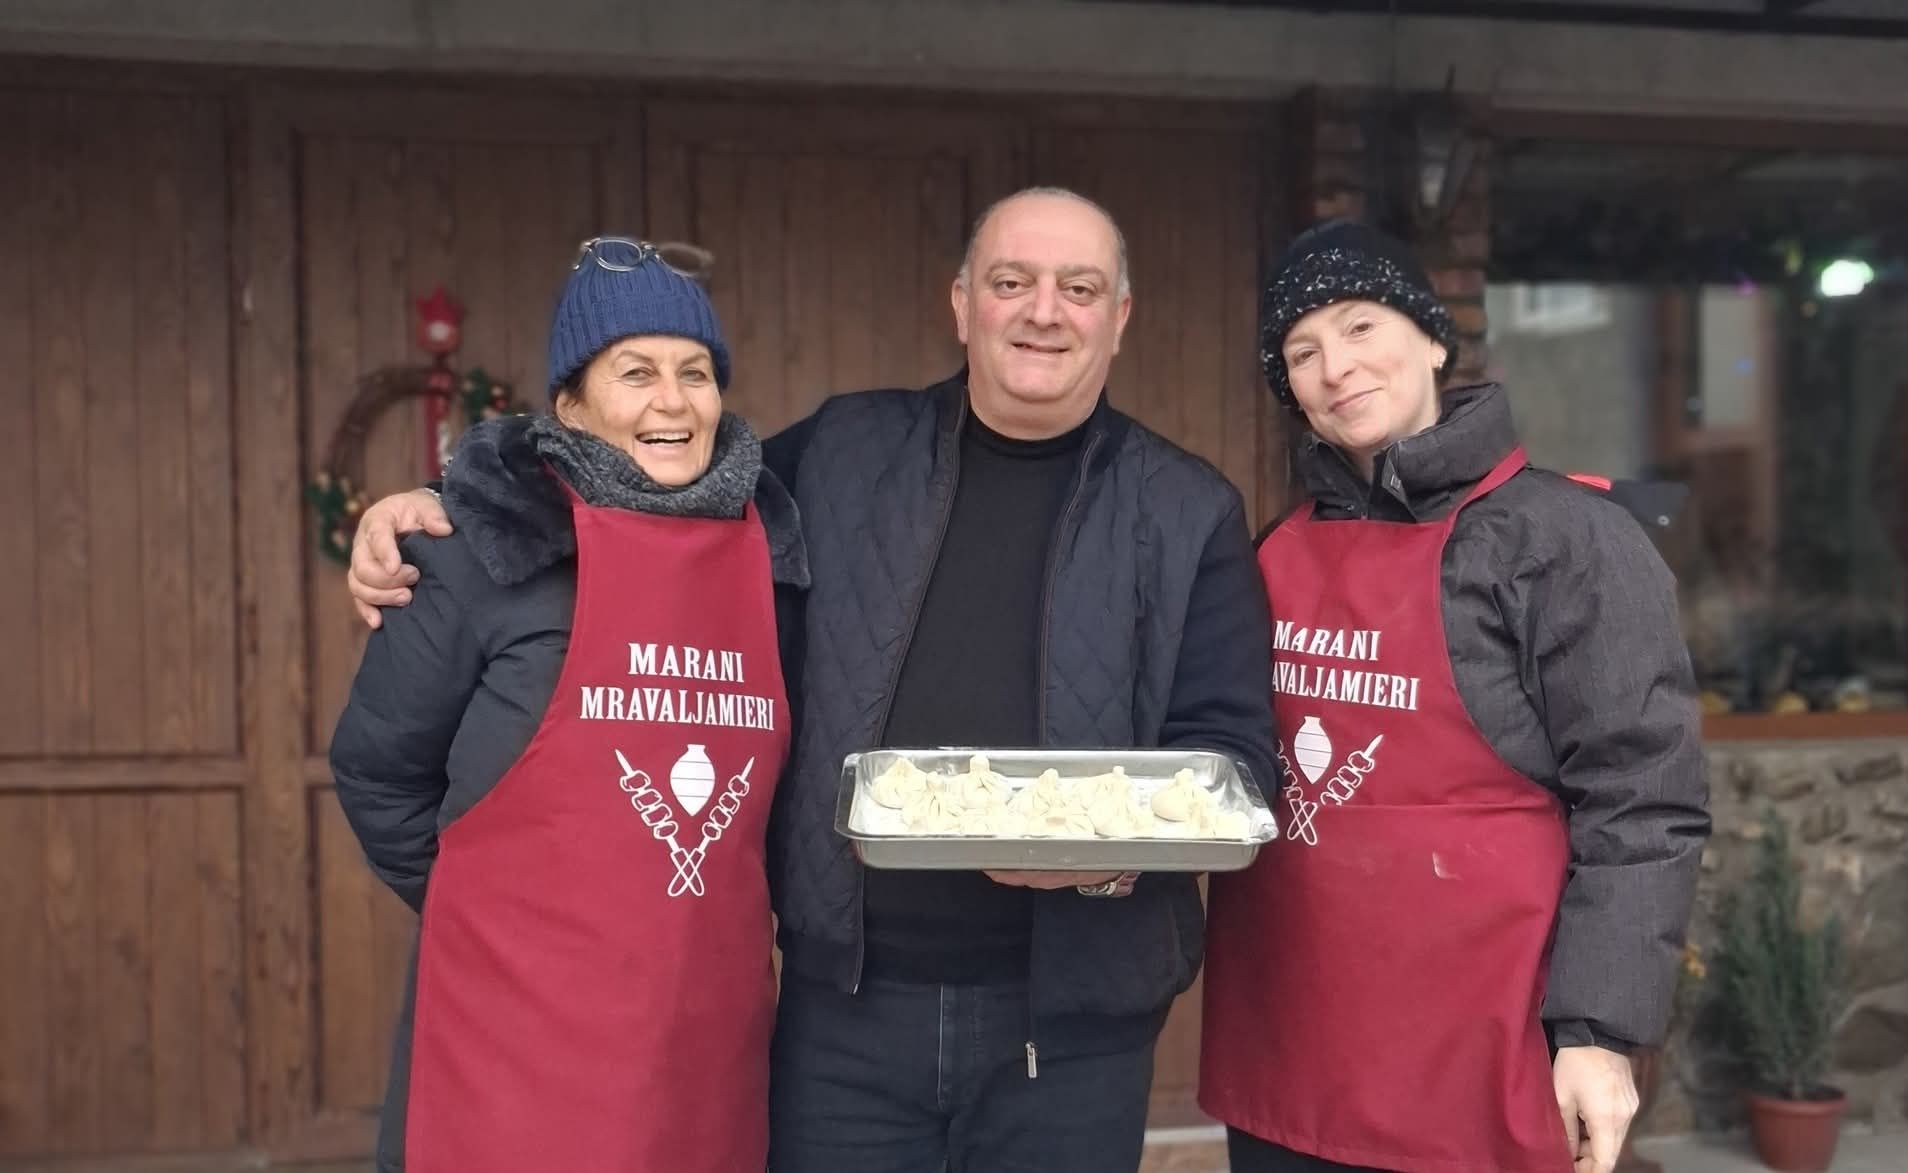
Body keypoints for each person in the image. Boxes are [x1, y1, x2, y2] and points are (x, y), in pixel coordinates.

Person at [345, 188, 1278, 1173]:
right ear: (961, 303)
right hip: (846, 1024)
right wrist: (450, 503)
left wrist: (1101, 858)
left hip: (1072, 1038)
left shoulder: (1188, 512)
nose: (1043, 310)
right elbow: (652, 481)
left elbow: (1234, 758)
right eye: (1011, 281)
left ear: (1118, 317)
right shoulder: (841, 453)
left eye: (1077, 288)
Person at [1198, 221, 1710, 1173]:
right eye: (1301, 353)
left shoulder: (1565, 540)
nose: (1335, 367)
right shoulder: (1273, 548)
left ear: (1434, 338)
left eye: (1360, 326)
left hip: (1480, 1053)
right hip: (1290, 1053)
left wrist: (1600, 1031)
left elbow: (1644, 795)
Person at [328, 237, 807, 1173]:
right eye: (636, 372)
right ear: (571, 405)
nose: (673, 401)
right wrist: (504, 921)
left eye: (695, 372)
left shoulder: (776, 553)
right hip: (512, 1043)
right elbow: (377, 770)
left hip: (702, 1046)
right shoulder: (476, 549)